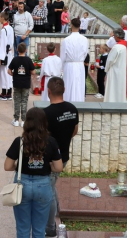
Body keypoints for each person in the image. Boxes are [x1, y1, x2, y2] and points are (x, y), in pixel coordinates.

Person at [4, 108, 63, 238]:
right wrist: (47, 166)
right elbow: (58, 167)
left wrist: (18, 166)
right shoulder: (51, 141)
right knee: (39, 230)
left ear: (27, 123)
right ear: (44, 123)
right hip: (43, 185)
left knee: (23, 228)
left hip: (22, 185)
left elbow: (7, 166)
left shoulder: (19, 141)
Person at [43, 77, 79, 237]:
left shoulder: (46, 114)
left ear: (48, 91)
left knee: (48, 191)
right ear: (64, 90)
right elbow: (74, 131)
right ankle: (57, 211)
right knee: (52, 183)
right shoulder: (72, 109)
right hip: (64, 155)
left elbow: (42, 138)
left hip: (51, 160)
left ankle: (50, 229)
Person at [107, 15, 127, 101]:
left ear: (123, 23)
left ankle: (118, 97)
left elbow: (109, 43)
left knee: (119, 79)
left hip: (120, 61)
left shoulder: (121, 33)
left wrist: (111, 36)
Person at [60, 18, 89, 102]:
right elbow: (85, 53)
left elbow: (63, 56)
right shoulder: (84, 39)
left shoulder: (66, 40)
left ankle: (68, 102)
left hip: (69, 65)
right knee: (79, 85)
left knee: (69, 85)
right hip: (79, 64)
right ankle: (79, 101)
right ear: (80, 26)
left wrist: (61, 68)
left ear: (71, 25)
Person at [8, 42, 35, 127]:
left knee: (16, 101)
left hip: (16, 83)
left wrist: (14, 75)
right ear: (26, 50)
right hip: (26, 83)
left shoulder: (15, 59)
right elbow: (33, 72)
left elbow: (9, 71)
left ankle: (16, 120)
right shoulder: (28, 60)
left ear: (17, 50)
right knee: (24, 101)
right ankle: (23, 120)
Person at [104, 28, 127, 103]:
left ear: (117, 36)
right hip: (123, 71)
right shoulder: (126, 45)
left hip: (115, 71)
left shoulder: (117, 47)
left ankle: (112, 102)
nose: (113, 37)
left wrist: (106, 70)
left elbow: (110, 60)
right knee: (121, 88)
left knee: (114, 89)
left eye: (114, 36)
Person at [0, 11, 15, 101]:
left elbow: (3, 45)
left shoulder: (4, 30)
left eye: (0, 17)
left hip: (5, 55)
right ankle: (8, 92)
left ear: (3, 18)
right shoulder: (10, 28)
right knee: (8, 74)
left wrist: (0, 58)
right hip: (10, 53)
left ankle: (5, 93)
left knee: (3, 74)